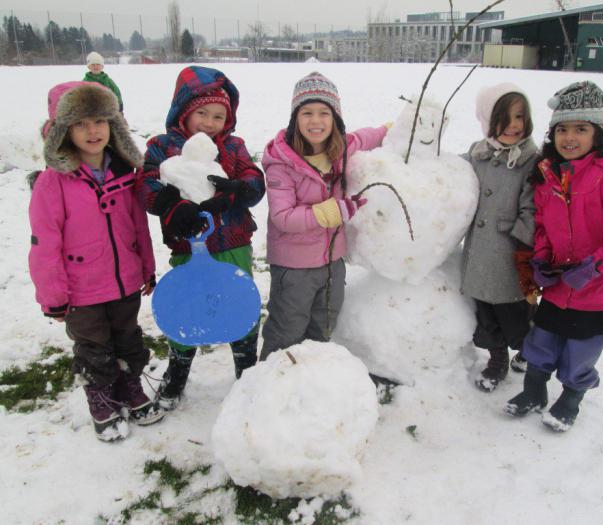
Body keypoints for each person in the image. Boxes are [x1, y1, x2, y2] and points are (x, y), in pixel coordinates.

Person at [504, 81, 603, 431]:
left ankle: (571, 398)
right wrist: (540, 259)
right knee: (541, 340)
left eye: (581, 129)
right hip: (558, 286)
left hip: (597, 290)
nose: (570, 138)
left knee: (580, 351)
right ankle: (534, 390)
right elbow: (542, 225)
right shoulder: (549, 176)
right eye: (562, 129)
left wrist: (595, 266)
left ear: (598, 133)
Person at [28, 81, 163, 442]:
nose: (93, 131)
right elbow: (44, 244)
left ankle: (130, 387)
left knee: (128, 337)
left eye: (101, 121)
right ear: (63, 131)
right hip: (82, 290)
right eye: (81, 123)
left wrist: (146, 268)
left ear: (114, 126)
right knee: (94, 348)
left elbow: (138, 228)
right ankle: (102, 399)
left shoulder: (124, 173)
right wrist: (53, 295)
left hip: (124, 281)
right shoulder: (53, 183)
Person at [136, 66, 265, 410]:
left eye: (219, 116)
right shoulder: (163, 148)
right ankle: (178, 369)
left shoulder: (233, 147)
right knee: (187, 306)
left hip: (234, 244)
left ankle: (246, 368)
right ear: (184, 112)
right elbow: (147, 184)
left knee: (241, 303)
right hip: (187, 247)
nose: (210, 122)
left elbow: (254, 180)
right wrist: (170, 205)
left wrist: (237, 190)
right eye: (202, 114)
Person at [260, 71, 388, 360]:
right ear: (295, 119)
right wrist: (331, 211)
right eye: (307, 113)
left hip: (332, 262)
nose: (315, 121)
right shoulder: (282, 162)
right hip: (293, 268)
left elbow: (368, 136)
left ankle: (313, 380)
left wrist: (394, 129)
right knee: (287, 330)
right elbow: (283, 216)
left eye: (323, 113)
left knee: (323, 325)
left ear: (335, 119)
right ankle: (270, 385)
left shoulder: (340, 148)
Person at [461, 83, 538, 392]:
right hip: (479, 255)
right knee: (486, 314)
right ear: (486, 119)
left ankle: (528, 349)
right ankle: (497, 360)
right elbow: (452, 173)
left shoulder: (531, 160)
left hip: (510, 257)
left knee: (514, 315)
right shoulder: (478, 154)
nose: (512, 125)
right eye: (502, 117)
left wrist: (522, 242)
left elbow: (532, 207)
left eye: (519, 116)